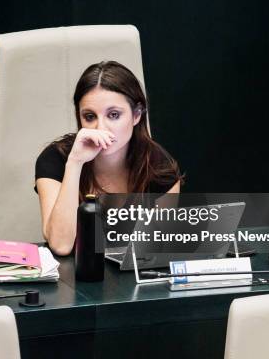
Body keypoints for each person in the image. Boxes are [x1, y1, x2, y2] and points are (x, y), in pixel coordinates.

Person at [35, 60, 182, 255]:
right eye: (89, 116)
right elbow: (61, 245)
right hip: (74, 278)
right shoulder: (56, 158)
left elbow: (158, 249)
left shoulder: (159, 168)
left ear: (136, 115)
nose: (101, 128)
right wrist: (75, 163)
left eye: (113, 115)